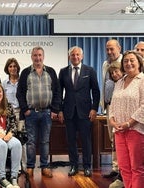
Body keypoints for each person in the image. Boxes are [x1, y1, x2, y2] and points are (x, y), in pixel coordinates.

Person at [16, 46, 61, 178]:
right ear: (31, 57)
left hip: (47, 113)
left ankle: (44, 166)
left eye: (40, 55)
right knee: (31, 141)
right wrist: (25, 109)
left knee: (45, 141)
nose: (37, 58)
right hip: (31, 113)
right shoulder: (25, 73)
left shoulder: (51, 71)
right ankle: (30, 167)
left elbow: (57, 92)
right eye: (35, 55)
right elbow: (20, 93)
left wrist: (54, 109)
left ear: (43, 56)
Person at [58, 46, 100, 177]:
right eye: (72, 55)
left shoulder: (90, 70)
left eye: (77, 55)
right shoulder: (63, 71)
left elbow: (96, 91)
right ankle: (73, 166)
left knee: (86, 140)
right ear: (69, 57)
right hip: (69, 112)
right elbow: (59, 92)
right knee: (71, 141)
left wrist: (94, 108)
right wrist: (60, 110)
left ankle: (87, 166)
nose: (75, 57)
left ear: (81, 56)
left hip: (85, 112)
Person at [109, 50, 144, 188]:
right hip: (119, 131)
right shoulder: (119, 82)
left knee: (137, 168)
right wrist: (112, 121)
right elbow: (113, 104)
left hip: (135, 130)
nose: (128, 63)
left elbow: (143, 106)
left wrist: (129, 123)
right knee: (124, 168)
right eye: (125, 61)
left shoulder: (142, 80)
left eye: (131, 60)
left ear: (139, 63)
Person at [101, 39, 124, 188]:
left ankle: (122, 171)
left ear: (119, 48)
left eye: (112, 49)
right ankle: (116, 169)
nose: (109, 52)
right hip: (110, 106)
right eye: (107, 49)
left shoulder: (125, 62)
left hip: (122, 107)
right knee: (113, 139)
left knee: (121, 139)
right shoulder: (105, 64)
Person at [2, 58, 27, 170]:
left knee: (22, 140)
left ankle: (24, 166)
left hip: (21, 114)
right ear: (7, 69)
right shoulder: (4, 83)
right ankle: (12, 165)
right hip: (8, 115)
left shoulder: (23, 81)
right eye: (10, 66)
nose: (13, 68)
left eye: (14, 66)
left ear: (17, 68)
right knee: (9, 140)